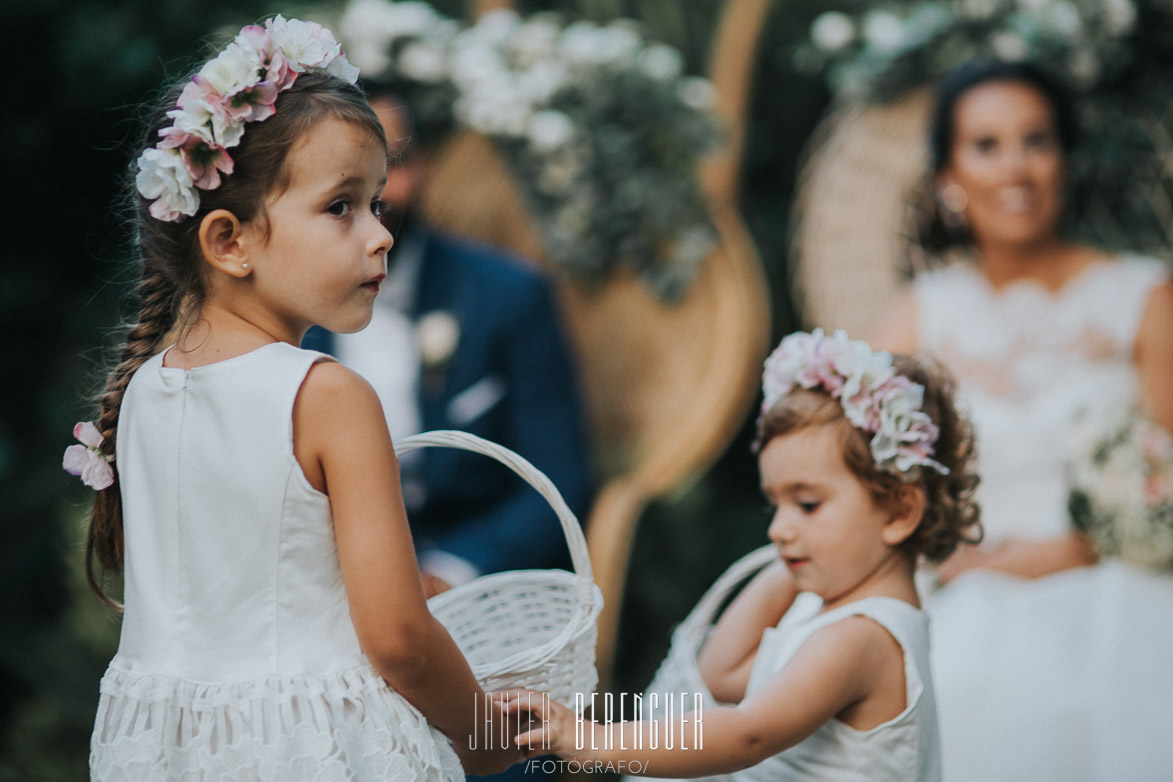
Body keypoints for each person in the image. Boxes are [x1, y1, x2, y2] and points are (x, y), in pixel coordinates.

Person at [71, 17, 523, 778]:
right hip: (314, 749)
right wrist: (485, 739)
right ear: (229, 241)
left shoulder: (145, 391)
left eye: (376, 203)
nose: (379, 234)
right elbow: (398, 638)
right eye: (341, 207)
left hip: (159, 751)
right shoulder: (326, 395)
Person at [495, 329, 981, 781]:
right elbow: (718, 675)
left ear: (899, 511)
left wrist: (595, 741)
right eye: (776, 505)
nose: (778, 528)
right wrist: (791, 560)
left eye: (807, 504)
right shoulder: (831, 620)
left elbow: (748, 733)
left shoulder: (861, 638)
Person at [871, 59, 1173, 780]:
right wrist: (950, 561)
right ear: (947, 174)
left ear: (1063, 158)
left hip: (1119, 583)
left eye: (1035, 140)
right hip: (962, 576)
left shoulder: (1142, 297)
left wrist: (1081, 548)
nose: (1015, 167)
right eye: (985, 145)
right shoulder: (918, 316)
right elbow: (876, 488)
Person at [303, 92, 591, 597]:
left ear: (425, 165)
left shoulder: (511, 297)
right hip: (326, 586)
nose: (379, 194)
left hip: (477, 588)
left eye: (391, 164)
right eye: (349, 176)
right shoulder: (291, 310)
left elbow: (558, 478)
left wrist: (456, 571)